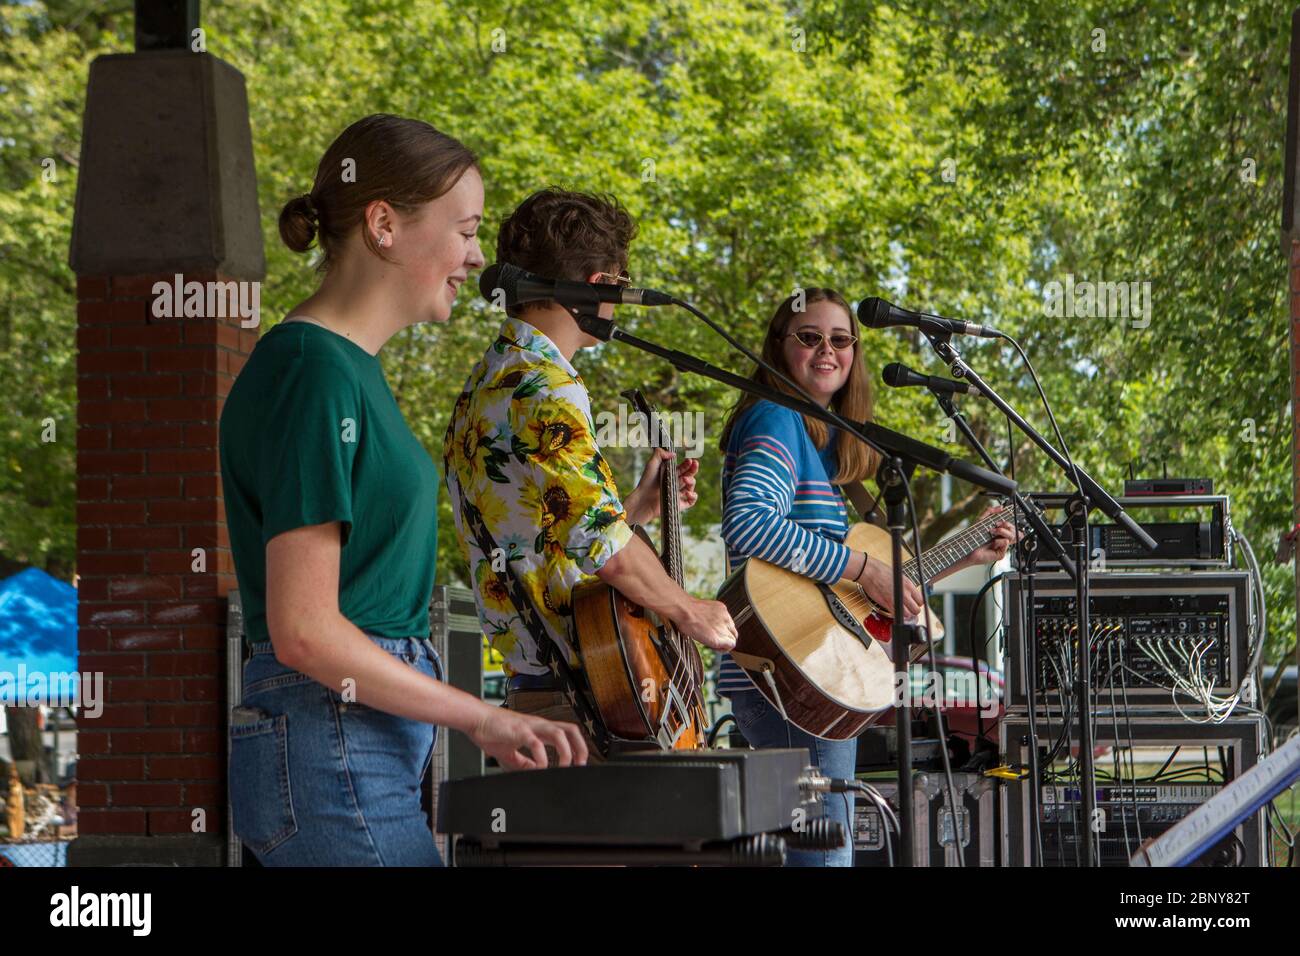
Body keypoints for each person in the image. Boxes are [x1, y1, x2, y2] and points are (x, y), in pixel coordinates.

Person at [219, 115, 587, 867]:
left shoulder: (348, 371)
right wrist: (480, 717)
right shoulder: (313, 372)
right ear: (383, 224)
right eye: (465, 230)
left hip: (350, 742)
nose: (477, 256)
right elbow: (305, 631)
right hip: (332, 740)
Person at [716, 287, 1016, 866]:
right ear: (779, 348)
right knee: (824, 858)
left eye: (840, 339)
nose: (826, 350)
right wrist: (862, 565)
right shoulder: (777, 418)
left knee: (815, 856)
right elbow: (749, 525)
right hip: (788, 679)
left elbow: (857, 595)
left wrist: (966, 556)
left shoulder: (825, 449)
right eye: (809, 337)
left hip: (808, 677)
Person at [443, 187, 736, 758]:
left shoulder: (494, 377)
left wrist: (638, 509)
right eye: (620, 284)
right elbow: (609, 551)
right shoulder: (547, 388)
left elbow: (554, 538)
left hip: (547, 692)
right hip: (581, 704)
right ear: (602, 285)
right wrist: (689, 608)